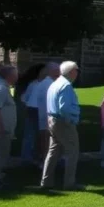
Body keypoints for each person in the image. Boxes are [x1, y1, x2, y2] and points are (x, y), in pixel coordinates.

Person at [41, 61, 84, 191]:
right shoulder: (65, 86)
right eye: (77, 70)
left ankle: (46, 181)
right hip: (62, 122)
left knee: (53, 151)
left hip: (52, 120)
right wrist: (70, 120)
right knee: (72, 151)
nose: (77, 73)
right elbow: (64, 108)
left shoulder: (55, 84)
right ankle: (69, 183)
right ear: (71, 72)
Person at [20, 66, 46, 165]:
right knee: (39, 134)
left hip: (31, 108)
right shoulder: (45, 84)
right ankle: (36, 156)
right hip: (38, 110)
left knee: (30, 134)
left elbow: (24, 97)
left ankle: (29, 156)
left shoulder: (33, 84)